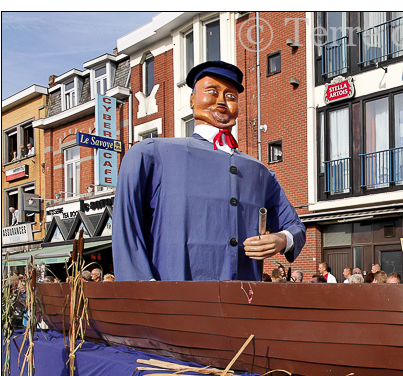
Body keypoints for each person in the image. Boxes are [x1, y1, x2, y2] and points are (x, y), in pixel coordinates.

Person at [113, 61, 306, 281]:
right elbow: (127, 228)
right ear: (192, 100)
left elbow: (295, 226)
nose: (222, 100)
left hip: (243, 298)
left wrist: (282, 239)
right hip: (175, 299)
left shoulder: (259, 171)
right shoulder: (151, 154)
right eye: (212, 91)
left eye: (231, 96)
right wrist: (145, 292)